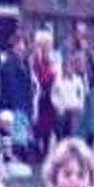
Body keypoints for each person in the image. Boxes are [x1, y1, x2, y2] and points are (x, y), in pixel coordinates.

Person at [30, 28, 59, 161]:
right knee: (38, 125)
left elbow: (55, 74)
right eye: (46, 43)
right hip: (39, 94)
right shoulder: (34, 58)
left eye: (49, 44)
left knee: (49, 125)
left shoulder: (52, 58)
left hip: (50, 94)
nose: (48, 46)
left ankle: (46, 151)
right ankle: (37, 150)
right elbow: (36, 75)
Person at [52, 50, 87, 141]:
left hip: (74, 110)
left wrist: (79, 107)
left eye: (71, 67)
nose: (69, 69)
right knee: (61, 136)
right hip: (62, 111)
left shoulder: (78, 81)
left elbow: (81, 96)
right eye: (67, 67)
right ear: (63, 68)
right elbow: (53, 96)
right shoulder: (58, 80)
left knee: (73, 134)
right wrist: (59, 106)